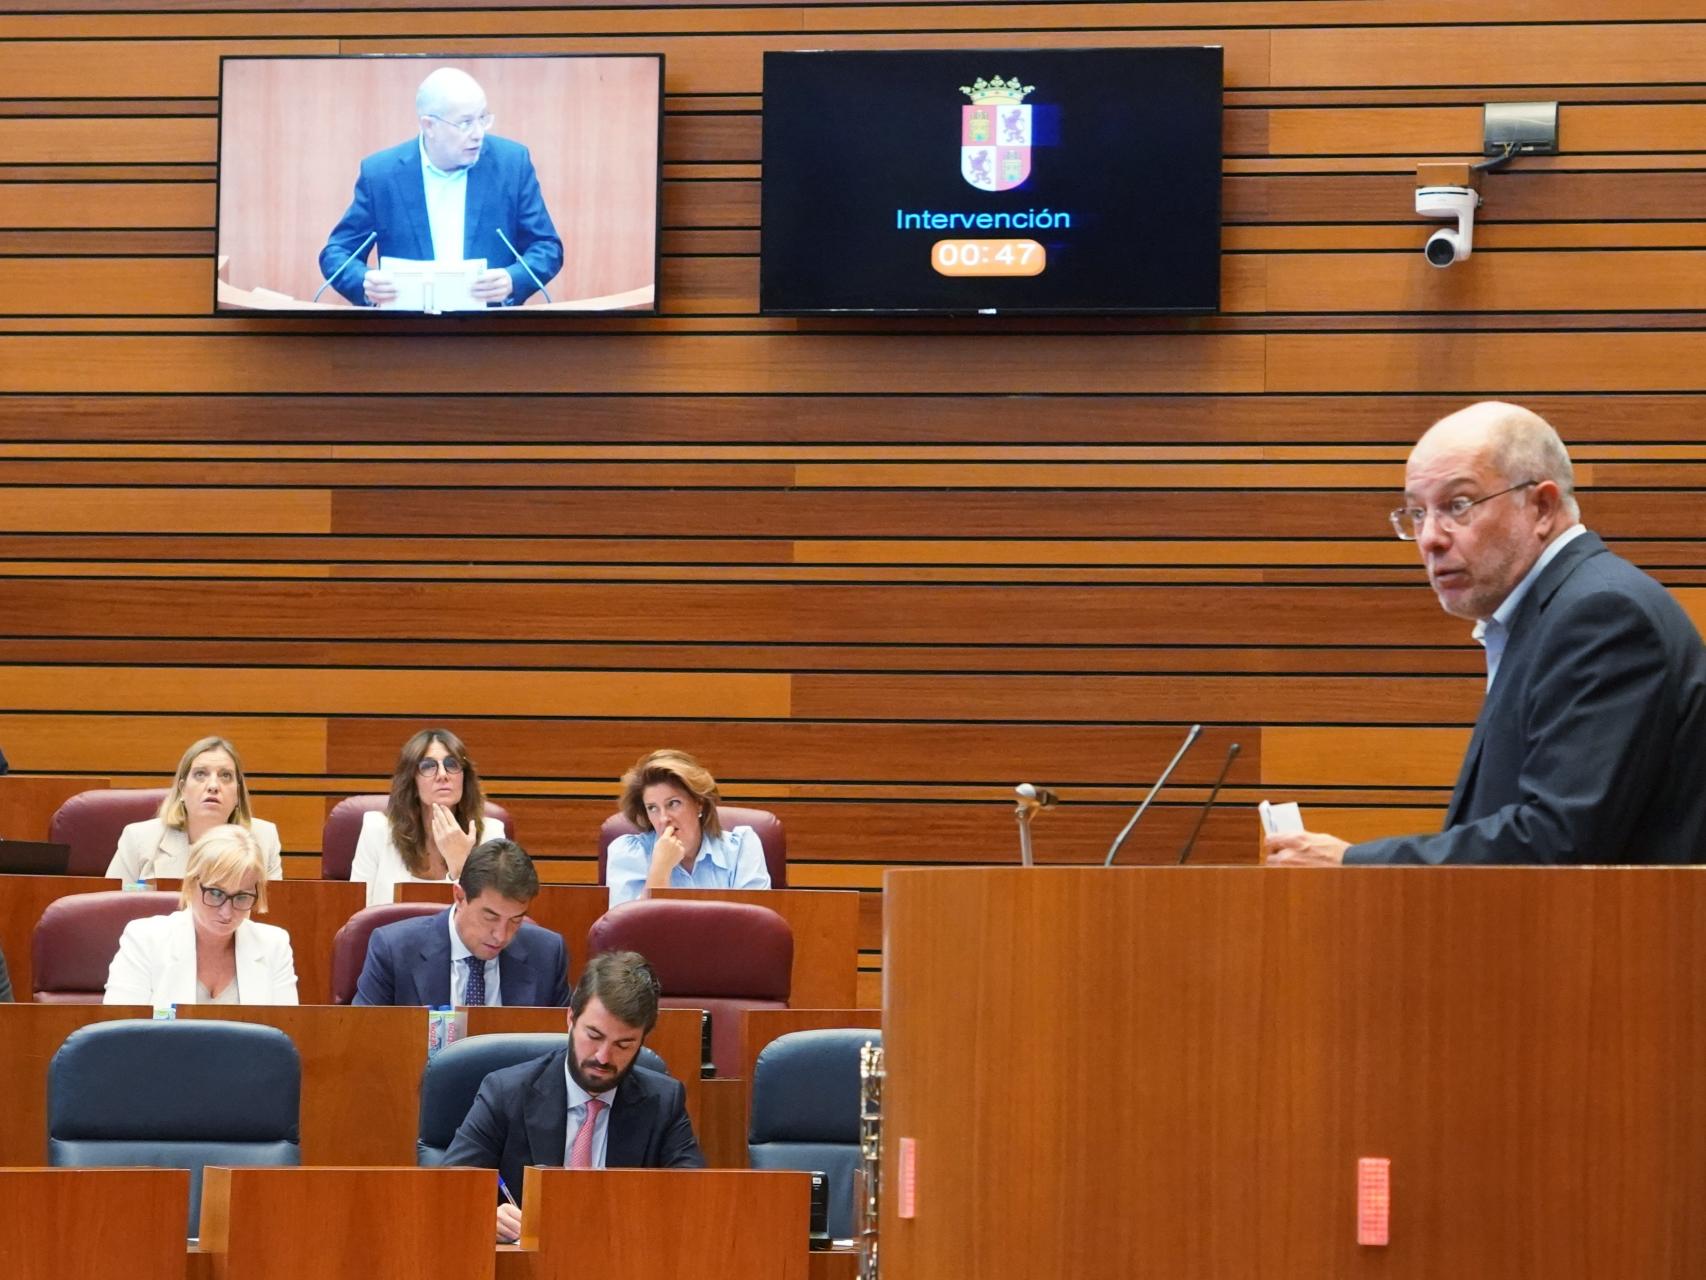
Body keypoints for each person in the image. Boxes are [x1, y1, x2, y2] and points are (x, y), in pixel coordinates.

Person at [1267, 401, 1706, 867]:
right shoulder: (1552, 613)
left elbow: (1557, 842)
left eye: (1458, 505)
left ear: (1541, 507)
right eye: (1417, 513)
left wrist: (1353, 865)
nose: (1430, 538)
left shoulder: (1601, 616)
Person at [444, 949, 704, 1241]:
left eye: (623, 1044)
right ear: (570, 1019)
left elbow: (693, 1203)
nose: (603, 1057)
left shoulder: (663, 1102)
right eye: (594, 1036)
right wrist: (485, 1215)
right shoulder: (506, 1092)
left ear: (643, 1040)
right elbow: (449, 1193)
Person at [318, 66, 563, 308]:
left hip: (489, 328)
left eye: (483, 119)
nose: (478, 133)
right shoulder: (382, 174)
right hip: (406, 329)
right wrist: (364, 282)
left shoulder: (511, 164)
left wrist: (513, 279)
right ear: (429, 126)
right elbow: (337, 253)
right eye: (465, 123)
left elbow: (547, 247)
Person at [353, 838, 568, 1007]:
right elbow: (363, 1038)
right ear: (459, 896)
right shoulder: (394, 950)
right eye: (490, 917)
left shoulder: (547, 954)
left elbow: (563, 1045)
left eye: (515, 919)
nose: (501, 935)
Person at [104, 825, 299, 1005]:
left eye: (241, 897)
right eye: (215, 893)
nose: (226, 912)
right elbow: (121, 1025)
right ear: (190, 884)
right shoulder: (143, 939)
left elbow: (285, 1027)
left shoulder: (274, 945)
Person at [351, 728, 503, 907]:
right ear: (412, 782)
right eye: (428, 766)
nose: (443, 775)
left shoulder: (490, 836)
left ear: (464, 778)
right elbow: (355, 915)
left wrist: (461, 867)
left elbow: (491, 915)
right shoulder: (377, 830)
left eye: (452, 764)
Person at [605, 749, 771, 907]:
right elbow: (627, 927)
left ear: (699, 803)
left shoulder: (741, 849)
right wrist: (660, 869)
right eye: (652, 808)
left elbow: (755, 923)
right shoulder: (628, 853)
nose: (663, 819)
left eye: (673, 803)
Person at [106, 736, 284, 882]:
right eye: (200, 774)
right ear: (182, 789)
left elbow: (272, 911)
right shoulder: (139, 839)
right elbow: (109, 907)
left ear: (238, 794)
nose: (213, 785)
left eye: (225, 775)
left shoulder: (264, 838)